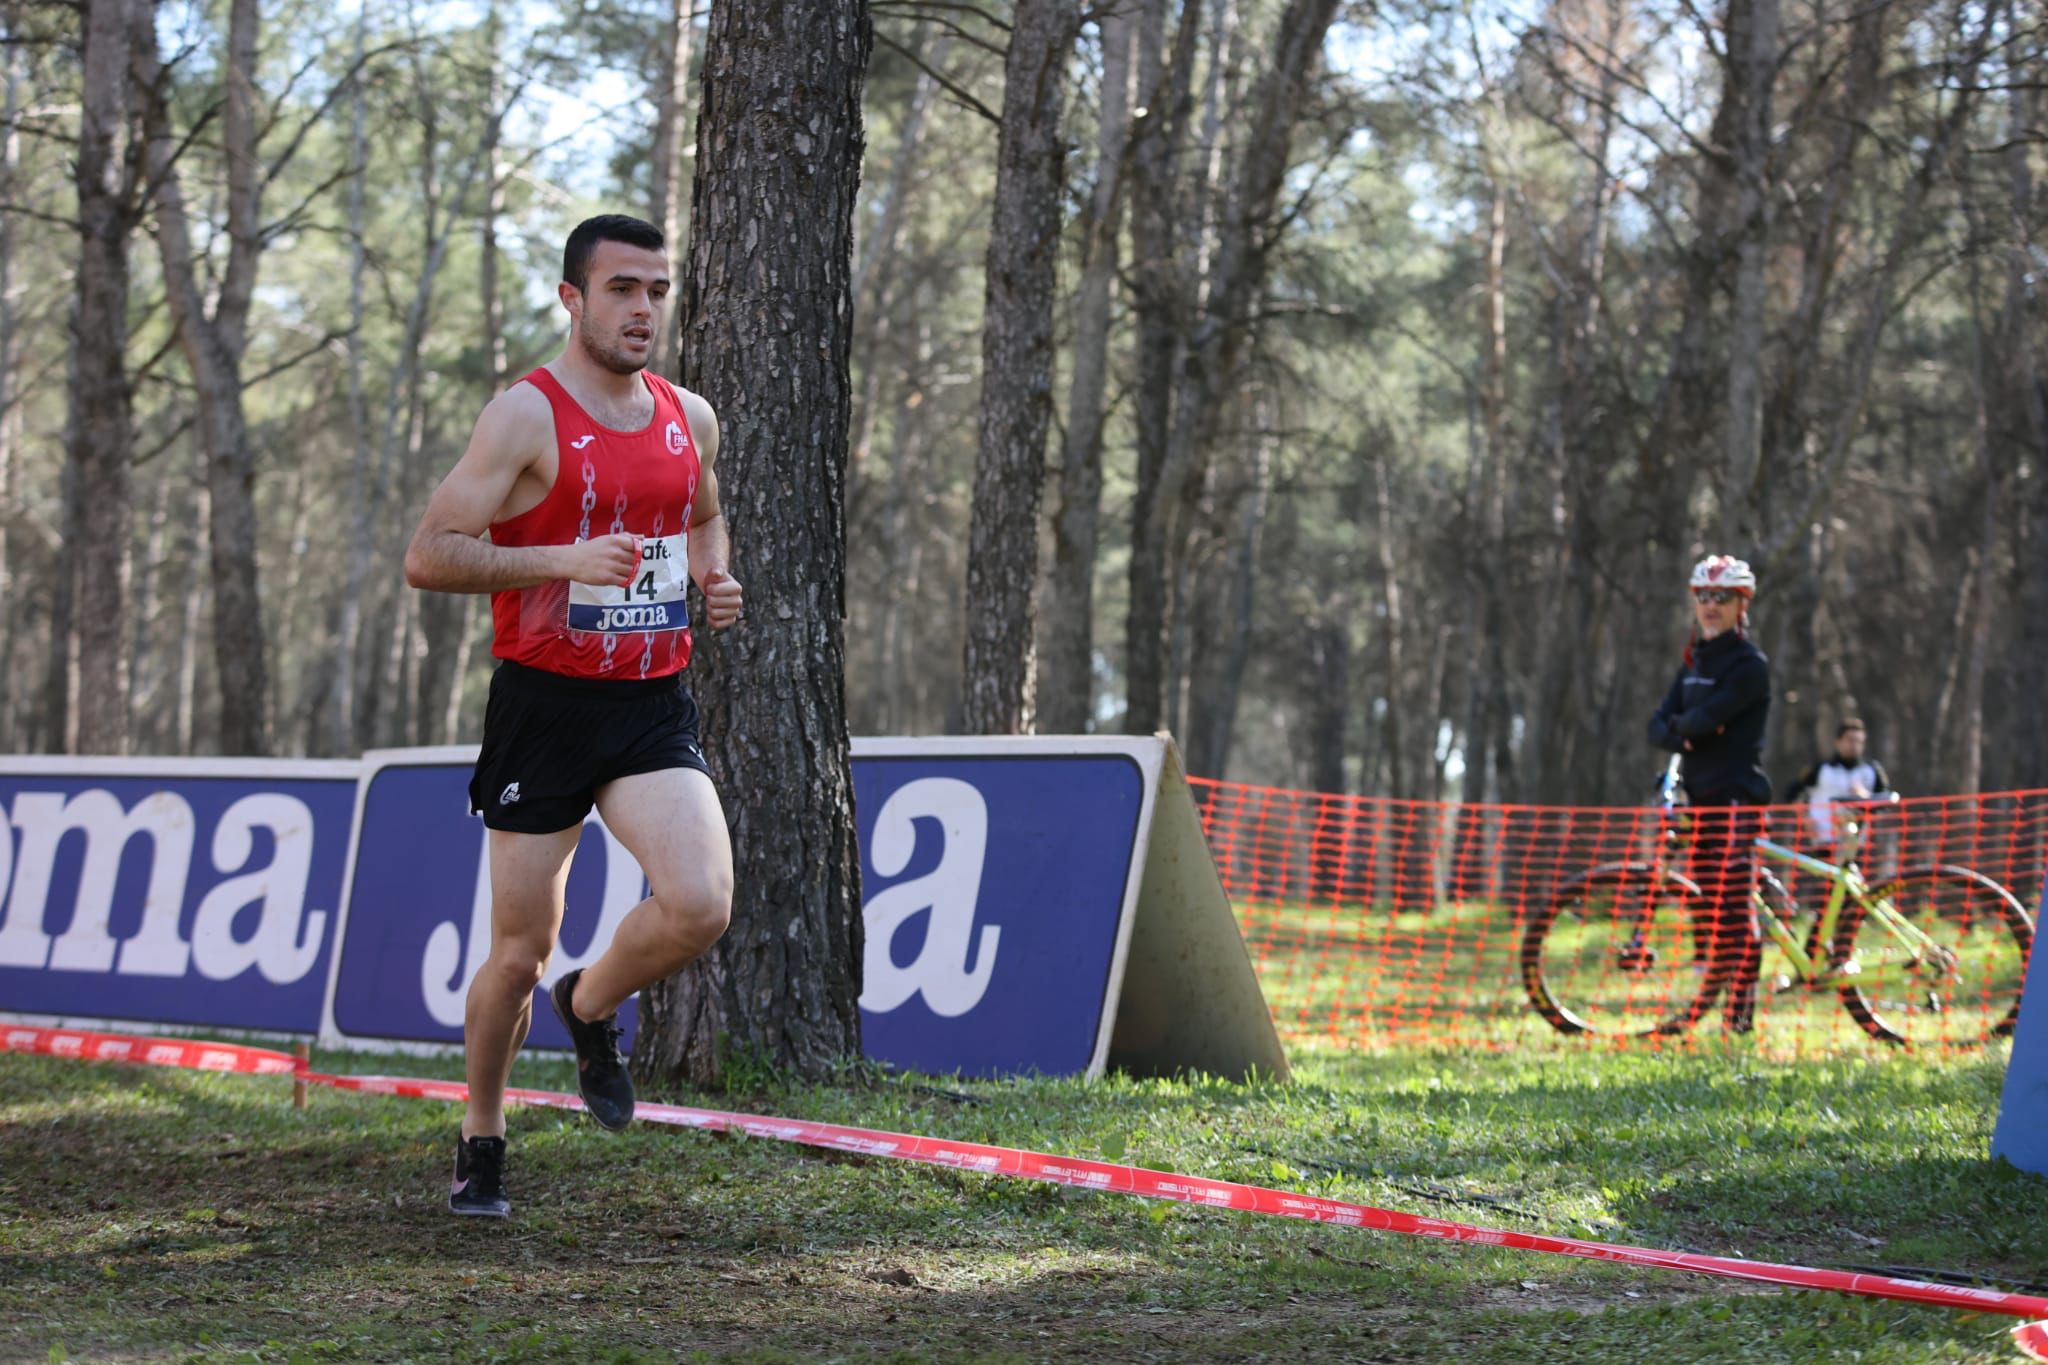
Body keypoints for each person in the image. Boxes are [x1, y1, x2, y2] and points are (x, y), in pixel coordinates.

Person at [404, 214, 743, 1218]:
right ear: (571, 299)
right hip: (543, 707)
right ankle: (481, 1135)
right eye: (621, 290)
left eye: (656, 291)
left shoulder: (692, 414)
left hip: (648, 702)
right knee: (516, 952)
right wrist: (559, 559)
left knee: (699, 903)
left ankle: (589, 1008)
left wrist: (712, 577)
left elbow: (701, 513)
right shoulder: (524, 416)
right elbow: (429, 555)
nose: (642, 310)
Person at [1647, 554, 1771, 1033]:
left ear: (1742, 604)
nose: (1711, 605)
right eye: (1703, 596)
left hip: (1737, 799)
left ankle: (1739, 1022)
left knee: (1736, 912)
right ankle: (1703, 1013)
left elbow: (1700, 721)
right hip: (1701, 800)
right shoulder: (1694, 660)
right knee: (1713, 909)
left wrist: (1689, 728)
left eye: (1722, 597)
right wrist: (1688, 732)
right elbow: (1659, 726)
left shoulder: (1749, 664)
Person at [1785, 719, 1891, 853]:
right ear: (1838, 742)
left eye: (1859, 742)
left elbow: (1885, 802)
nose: (1854, 746)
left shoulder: (1872, 770)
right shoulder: (1821, 769)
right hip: (1823, 841)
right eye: (1850, 740)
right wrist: (1805, 818)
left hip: (1857, 844)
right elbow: (1791, 793)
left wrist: (1865, 797)